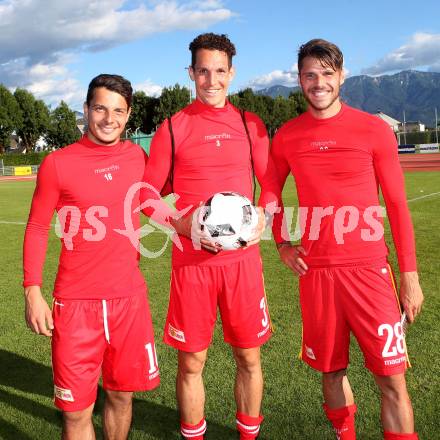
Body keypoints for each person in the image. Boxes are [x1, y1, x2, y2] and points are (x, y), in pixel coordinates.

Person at [271, 39, 424, 440]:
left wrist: (409, 276)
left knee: (392, 380)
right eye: (309, 74)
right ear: (299, 79)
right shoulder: (287, 135)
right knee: (331, 371)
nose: (317, 82)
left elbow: (396, 204)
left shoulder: (372, 129)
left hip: (370, 271)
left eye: (326, 73)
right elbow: (268, 193)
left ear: (341, 76)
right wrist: (282, 244)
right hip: (317, 274)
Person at [143, 33, 279, 439]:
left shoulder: (248, 123)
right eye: (203, 70)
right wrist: (181, 224)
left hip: (242, 265)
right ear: (191, 73)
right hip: (192, 265)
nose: (211, 79)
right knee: (191, 363)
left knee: (249, 358)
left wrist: (264, 216)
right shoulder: (172, 127)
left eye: (219, 70)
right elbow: (147, 196)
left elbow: (270, 184)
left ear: (231, 73)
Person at [23, 74, 160, 440]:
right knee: (75, 414)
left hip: (128, 301)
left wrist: (193, 224)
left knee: (121, 396)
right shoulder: (58, 163)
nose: (108, 118)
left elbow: (152, 203)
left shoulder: (136, 156)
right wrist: (32, 291)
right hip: (75, 306)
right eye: (100, 108)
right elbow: (37, 228)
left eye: (118, 110)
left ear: (128, 116)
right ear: (86, 110)